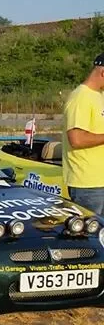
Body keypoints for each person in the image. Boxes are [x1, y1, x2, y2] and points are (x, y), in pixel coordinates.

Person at [63, 52, 104, 214]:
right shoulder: (80, 97)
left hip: (100, 181)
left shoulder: (99, 96)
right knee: (91, 229)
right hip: (88, 185)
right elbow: (77, 139)